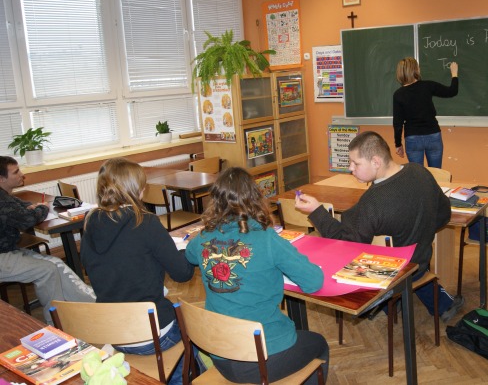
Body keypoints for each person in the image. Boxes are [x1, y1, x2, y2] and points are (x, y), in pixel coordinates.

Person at [295, 131, 464, 322]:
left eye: (356, 163)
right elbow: (444, 215)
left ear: (376, 161)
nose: (350, 168)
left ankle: (381, 300)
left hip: (388, 273)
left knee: (335, 253)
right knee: (404, 259)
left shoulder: (373, 202)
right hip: (420, 262)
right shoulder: (420, 171)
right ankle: (407, 301)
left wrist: (316, 211)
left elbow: (346, 245)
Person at [185, 167, 329, 384]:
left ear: (215, 202)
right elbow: (314, 281)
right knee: (318, 343)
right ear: (255, 198)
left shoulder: (204, 237)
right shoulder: (267, 238)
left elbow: (190, 255)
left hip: (220, 353)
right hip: (261, 359)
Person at [81, 158, 194, 385]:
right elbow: (182, 274)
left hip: (112, 331)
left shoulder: (89, 221)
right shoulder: (146, 222)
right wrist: (186, 252)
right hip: (152, 334)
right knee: (196, 331)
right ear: (137, 190)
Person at [0, 156, 95, 324]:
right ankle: (55, 323)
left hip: (8, 250)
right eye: (16, 172)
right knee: (47, 270)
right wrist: (42, 208)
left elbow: (21, 205)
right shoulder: (2, 201)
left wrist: (32, 209)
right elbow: (27, 220)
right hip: (3, 255)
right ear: (1, 179)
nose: (21, 175)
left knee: (56, 263)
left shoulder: (5, 196)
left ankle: (90, 305)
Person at [393, 57, 459, 168]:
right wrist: (454, 73)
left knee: (418, 175)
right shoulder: (428, 86)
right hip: (433, 135)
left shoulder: (398, 94)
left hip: (412, 138)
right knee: (436, 174)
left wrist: (398, 144)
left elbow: (397, 123)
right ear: (416, 70)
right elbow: (452, 91)